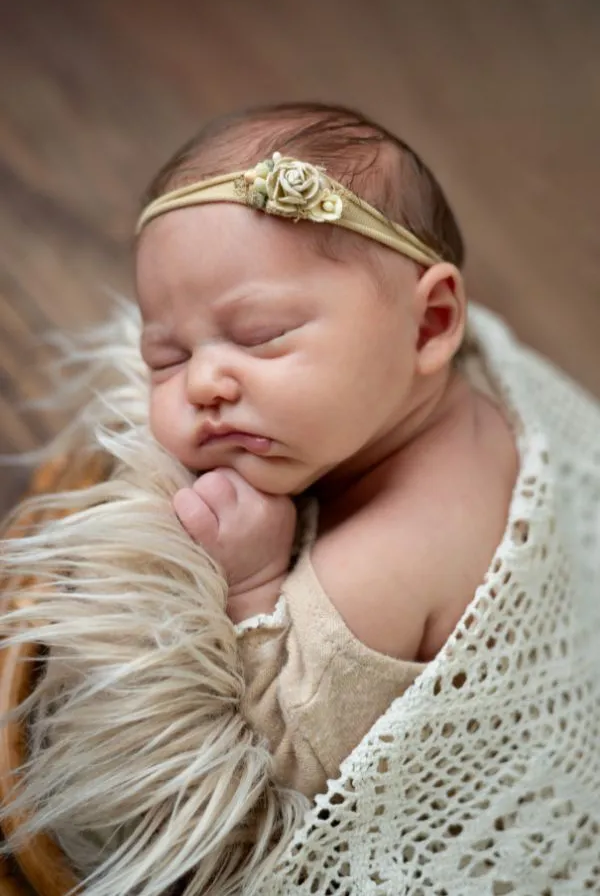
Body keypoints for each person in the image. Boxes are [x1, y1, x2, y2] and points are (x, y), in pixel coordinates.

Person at [133, 102, 519, 796]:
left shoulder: (386, 561)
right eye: (166, 356)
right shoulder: (433, 403)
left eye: (259, 336)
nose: (202, 382)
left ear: (431, 325)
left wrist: (254, 584)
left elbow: (284, 766)